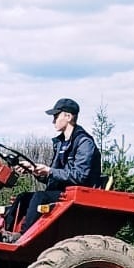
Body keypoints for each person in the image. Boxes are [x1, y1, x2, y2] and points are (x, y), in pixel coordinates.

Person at [14, 98, 104, 231]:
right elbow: (54, 176)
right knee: (23, 197)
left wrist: (49, 170)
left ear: (68, 116)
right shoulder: (61, 143)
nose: (53, 121)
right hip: (63, 193)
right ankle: (3, 235)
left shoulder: (84, 142)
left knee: (40, 196)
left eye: (56, 116)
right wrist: (34, 170)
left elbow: (80, 176)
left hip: (77, 196)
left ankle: (22, 237)